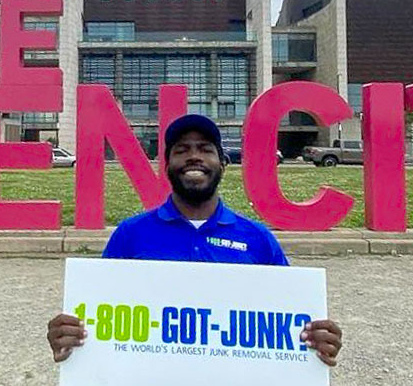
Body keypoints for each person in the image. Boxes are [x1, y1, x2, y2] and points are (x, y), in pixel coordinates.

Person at [46, 114, 344, 367]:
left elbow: (289, 319)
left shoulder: (257, 239)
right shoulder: (130, 234)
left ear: (222, 163)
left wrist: (318, 339)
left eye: (204, 148)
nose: (193, 156)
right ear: (167, 165)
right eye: (181, 149)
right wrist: (69, 333)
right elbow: (96, 317)